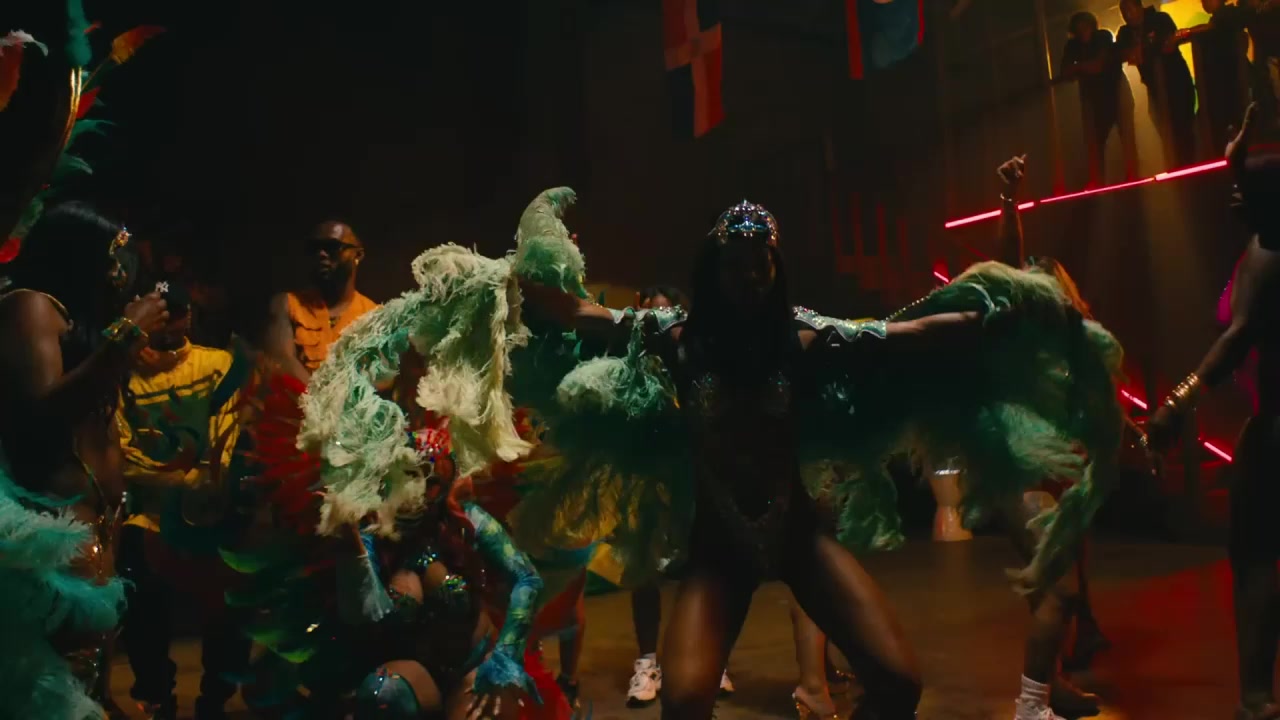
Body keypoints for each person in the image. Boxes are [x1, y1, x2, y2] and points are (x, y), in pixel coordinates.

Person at [0, 203, 169, 717]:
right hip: (55, 539)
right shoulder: (29, 306)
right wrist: (127, 335)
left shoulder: (79, 322)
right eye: (109, 258)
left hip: (101, 530)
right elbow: (44, 412)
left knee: (91, 688)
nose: (118, 274)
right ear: (74, 255)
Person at [1147, 103, 1280, 720]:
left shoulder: (1268, 253)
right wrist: (1238, 153)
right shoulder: (1262, 242)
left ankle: (1255, 700)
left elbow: (1239, 336)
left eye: (1244, 186)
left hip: (1276, 428)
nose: (1232, 193)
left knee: (1254, 557)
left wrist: (1177, 402)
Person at [995, 156, 1115, 720]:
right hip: (1020, 480)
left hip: (1059, 481)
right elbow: (1005, 263)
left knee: (1060, 593)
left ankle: (1054, 685)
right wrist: (1010, 203)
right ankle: (1030, 705)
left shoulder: (1070, 349)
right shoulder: (1016, 337)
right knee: (1059, 591)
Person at [114, 276, 250, 720]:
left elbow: (228, 429)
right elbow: (120, 448)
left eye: (173, 312)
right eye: (157, 313)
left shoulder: (217, 364)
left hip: (211, 510)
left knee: (228, 609)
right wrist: (176, 483)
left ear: (188, 316)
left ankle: (216, 698)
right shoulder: (124, 376)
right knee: (142, 604)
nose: (166, 322)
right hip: (150, 517)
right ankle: (158, 697)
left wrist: (207, 481)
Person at [626, 285, 735, 707]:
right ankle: (647, 663)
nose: (659, 319)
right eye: (650, 313)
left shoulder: (699, 358)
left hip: (694, 476)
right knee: (644, 569)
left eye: (668, 312)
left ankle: (709, 659)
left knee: (703, 568)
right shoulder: (632, 362)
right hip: (647, 475)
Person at [264, 220, 377, 382]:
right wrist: (321, 397)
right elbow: (282, 360)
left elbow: (381, 377)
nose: (321, 254)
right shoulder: (286, 304)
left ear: (357, 255)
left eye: (332, 247)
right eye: (314, 248)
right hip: (299, 397)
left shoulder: (375, 316)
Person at [1117, 0, 1199, 168]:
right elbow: (1118, 53)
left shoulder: (1160, 19)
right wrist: (1133, 52)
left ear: (1139, 6)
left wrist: (1143, 50)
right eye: (1124, 12)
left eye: (1130, 10)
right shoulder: (1125, 32)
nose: (1127, 15)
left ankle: (1191, 169)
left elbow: (1168, 43)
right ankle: (1177, 170)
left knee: (1184, 130)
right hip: (1154, 88)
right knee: (1165, 132)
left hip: (1177, 82)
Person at [1060, 11, 1139, 184]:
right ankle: (1098, 180)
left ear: (1091, 25)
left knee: (1126, 136)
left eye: (1085, 26)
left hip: (1116, 90)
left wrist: (1078, 67)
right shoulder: (1072, 46)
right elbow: (1066, 72)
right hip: (1095, 99)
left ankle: (1132, 175)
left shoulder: (1102, 36)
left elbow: (1098, 65)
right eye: (1079, 28)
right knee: (1096, 142)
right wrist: (1082, 67)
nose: (1083, 30)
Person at [1175, 0, 1252, 152]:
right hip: (1224, 90)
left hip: (1231, 89)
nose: (1203, 2)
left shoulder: (1228, 15)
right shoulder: (1221, 18)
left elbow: (1213, 27)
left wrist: (1185, 33)